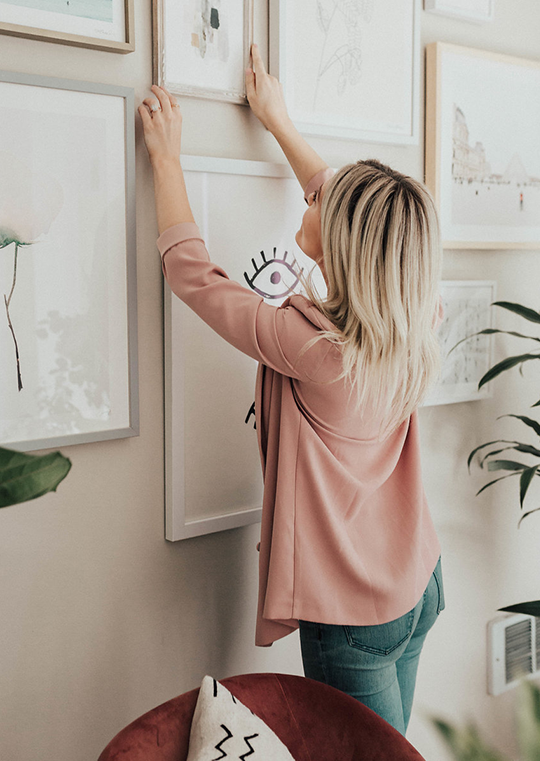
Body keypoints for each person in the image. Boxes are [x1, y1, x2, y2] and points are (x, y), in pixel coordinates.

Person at [139, 45, 445, 736]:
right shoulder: (415, 317)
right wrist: (279, 122)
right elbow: (366, 224)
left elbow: (195, 276)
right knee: (389, 751)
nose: (317, 191)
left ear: (339, 247)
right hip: (417, 582)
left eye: (328, 202)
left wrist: (165, 157)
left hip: (354, 617)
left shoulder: (313, 348)